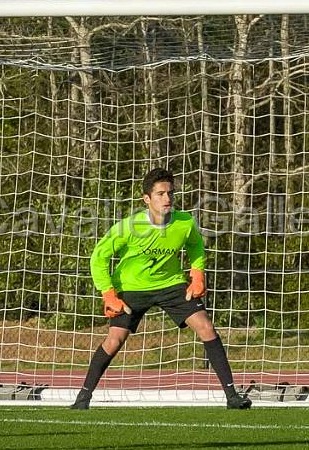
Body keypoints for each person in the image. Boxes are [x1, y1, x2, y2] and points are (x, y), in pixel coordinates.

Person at [71, 168, 251, 410]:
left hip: (170, 284)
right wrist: (108, 293)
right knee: (115, 340)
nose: (167, 199)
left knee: (206, 326)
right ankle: (82, 399)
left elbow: (196, 247)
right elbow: (98, 258)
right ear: (147, 199)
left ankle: (232, 397)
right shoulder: (129, 226)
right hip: (132, 287)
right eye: (160, 194)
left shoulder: (184, 222)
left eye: (170, 193)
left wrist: (197, 275)